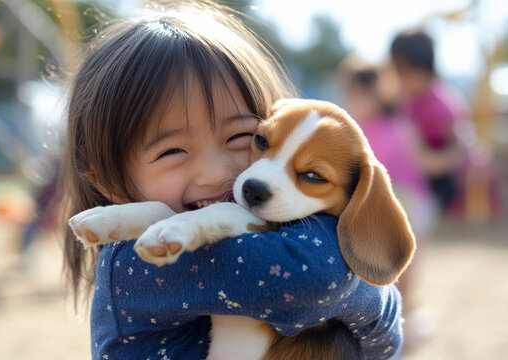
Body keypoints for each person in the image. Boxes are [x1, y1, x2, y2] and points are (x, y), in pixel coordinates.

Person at [61, 2, 403, 359]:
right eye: (171, 151)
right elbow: (314, 278)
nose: (215, 173)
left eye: (239, 135)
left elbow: (389, 337)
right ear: (108, 183)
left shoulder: (307, 216)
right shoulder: (130, 269)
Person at [340, 56, 437, 353]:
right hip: (379, 212)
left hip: (408, 207)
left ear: (379, 93)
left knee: (401, 278)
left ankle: (397, 333)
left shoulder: (396, 128)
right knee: (376, 278)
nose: (355, 100)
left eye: (362, 93)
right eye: (351, 92)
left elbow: (420, 167)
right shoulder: (348, 129)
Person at [389, 29, 474, 212]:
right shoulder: (403, 100)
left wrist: (431, 161)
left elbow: (461, 149)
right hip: (412, 179)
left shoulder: (443, 104)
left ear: (424, 69)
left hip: (439, 185)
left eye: (404, 71)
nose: (401, 79)